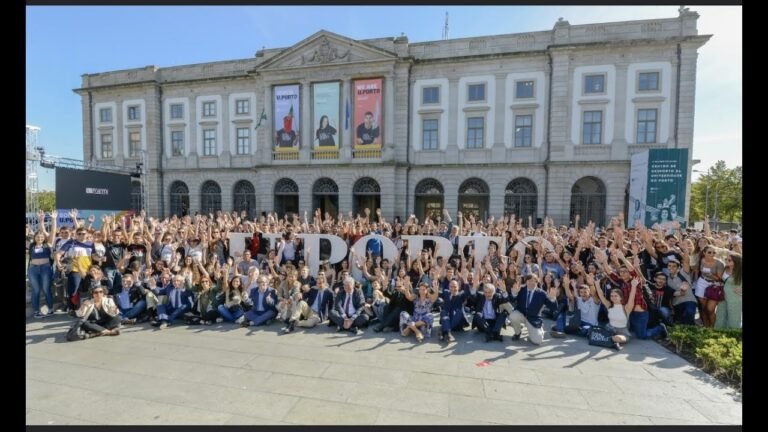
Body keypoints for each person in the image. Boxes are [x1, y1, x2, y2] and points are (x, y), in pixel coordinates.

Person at [507, 274, 558, 345]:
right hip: (521, 314)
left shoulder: (542, 293)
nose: (531, 283)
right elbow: (512, 300)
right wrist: (514, 293)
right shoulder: (521, 289)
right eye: (529, 281)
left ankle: (539, 329)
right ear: (526, 281)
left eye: (533, 281)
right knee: (512, 316)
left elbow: (554, 307)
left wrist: (553, 298)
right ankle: (517, 333)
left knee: (537, 341)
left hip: (533, 318)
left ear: (537, 282)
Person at [593, 274, 635, 351]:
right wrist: (597, 285)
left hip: (622, 332)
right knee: (592, 332)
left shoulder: (626, 307)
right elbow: (601, 295)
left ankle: (608, 341)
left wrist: (634, 286)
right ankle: (610, 342)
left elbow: (632, 298)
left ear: (621, 297)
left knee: (617, 338)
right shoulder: (609, 305)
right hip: (609, 330)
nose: (613, 297)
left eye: (616, 296)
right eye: (612, 296)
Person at [715, 252, 742, 329]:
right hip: (723, 296)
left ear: (736, 262)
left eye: (729, 260)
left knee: (733, 318)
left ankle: (733, 336)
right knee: (720, 315)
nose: (727, 261)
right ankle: (719, 334)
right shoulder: (725, 268)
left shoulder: (740, 272)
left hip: (735, 297)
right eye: (726, 259)